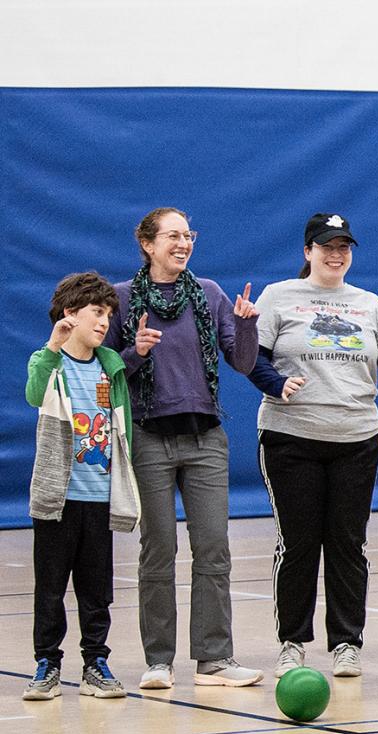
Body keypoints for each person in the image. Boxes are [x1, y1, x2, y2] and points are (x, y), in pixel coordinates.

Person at [245, 213, 378, 678]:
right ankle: (292, 643)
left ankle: (346, 643)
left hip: (356, 437)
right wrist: (277, 383)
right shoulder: (279, 297)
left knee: (348, 543)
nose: (336, 254)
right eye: (326, 246)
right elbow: (252, 358)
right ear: (308, 252)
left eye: (344, 247)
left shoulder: (368, 303)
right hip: (290, 437)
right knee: (298, 543)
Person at [105, 207, 264, 690]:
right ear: (148, 245)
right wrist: (136, 353)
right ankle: (159, 661)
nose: (183, 242)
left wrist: (247, 324)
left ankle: (215, 660)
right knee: (159, 550)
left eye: (188, 235)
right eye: (172, 235)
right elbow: (105, 375)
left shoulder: (210, 295)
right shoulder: (122, 299)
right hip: (150, 438)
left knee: (214, 549)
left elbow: (241, 361)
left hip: (205, 439)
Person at [25, 273, 138, 700]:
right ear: (71, 314)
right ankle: (47, 663)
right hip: (57, 498)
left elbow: (119, 427)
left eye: (109, 314)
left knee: (97, 589)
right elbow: (35, 394)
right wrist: (53, 345)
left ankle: (96, 662)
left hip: (98, 496)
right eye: (96, 312)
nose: (105, 321)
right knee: (50, 587)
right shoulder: (49, 362)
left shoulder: (110, 364)